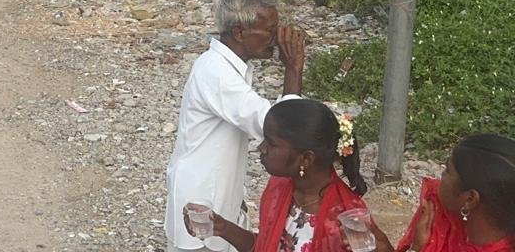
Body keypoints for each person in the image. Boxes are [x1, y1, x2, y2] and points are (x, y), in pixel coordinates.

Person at [165, 0, 306, 252]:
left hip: (216, 191)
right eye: (270, 30)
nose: (276, 38)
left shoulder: (224, 66)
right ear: (240, 32)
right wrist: (293, 69)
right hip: (202, 201)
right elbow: (279, 125)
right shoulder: (217, 73)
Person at [192, 99, 373, 252]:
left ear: (306, 159)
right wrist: (222, 228)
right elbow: (266, 246)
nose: (261, 148)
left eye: (271, 143)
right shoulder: (280, 187)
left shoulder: (346, 216)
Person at [387, 135, 515, 252]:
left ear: (470, 199)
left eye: (447, 170)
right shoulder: (438, 209)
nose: (440, 176)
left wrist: (416, 249)